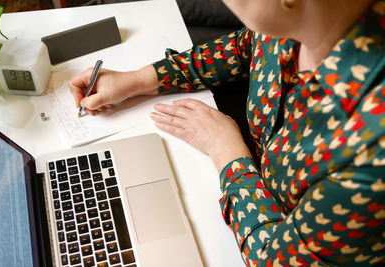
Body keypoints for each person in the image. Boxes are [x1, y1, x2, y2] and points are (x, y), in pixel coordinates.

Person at [69, 0, 385, 265]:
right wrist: (140, 79)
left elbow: (274, 260)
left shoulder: (374, 149)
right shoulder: (305, 22)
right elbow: (245, 46)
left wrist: (227, 152)